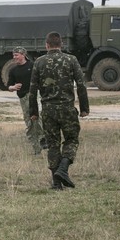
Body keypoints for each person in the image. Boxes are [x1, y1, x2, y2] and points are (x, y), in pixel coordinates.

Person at [29, 32, 89, 190]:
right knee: (72, 140)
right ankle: (63, 169)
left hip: (48, 110)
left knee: (53, 144)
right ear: (61, 44)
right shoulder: (71, 59)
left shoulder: (39, 62)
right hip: (67, 108)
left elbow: (32, 90)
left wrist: (33, 112)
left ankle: (56, 183)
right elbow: (81, 85)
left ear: (46, 45)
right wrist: (84, 108)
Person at [6, 47, 46, 155]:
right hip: (23, 98)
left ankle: (43, 138)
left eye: (16, 55)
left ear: (23, 54)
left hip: (35, 95)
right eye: (13, 55)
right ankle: (36, 149)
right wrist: (13, 87)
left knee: (38, 117)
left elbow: (43, 79)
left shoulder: (33, 66)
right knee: (29, 123)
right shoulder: (13, 70)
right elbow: (8, 86)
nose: (14, 57)